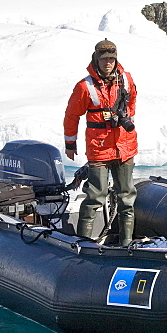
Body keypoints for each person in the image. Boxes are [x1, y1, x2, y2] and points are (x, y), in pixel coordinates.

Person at [63, 38, 138, 244]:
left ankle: (127, 244)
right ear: (96, 59)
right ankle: (84, 245)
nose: (108, 63)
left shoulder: (126, 79)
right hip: (99, 150)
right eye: (104, 59)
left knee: (126, 198)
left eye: (111, 59)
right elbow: (71, 116)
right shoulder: (85, 87)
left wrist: (123, 118)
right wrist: (71, 144)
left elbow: (132, 101)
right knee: (95, 196)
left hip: (124, 148)